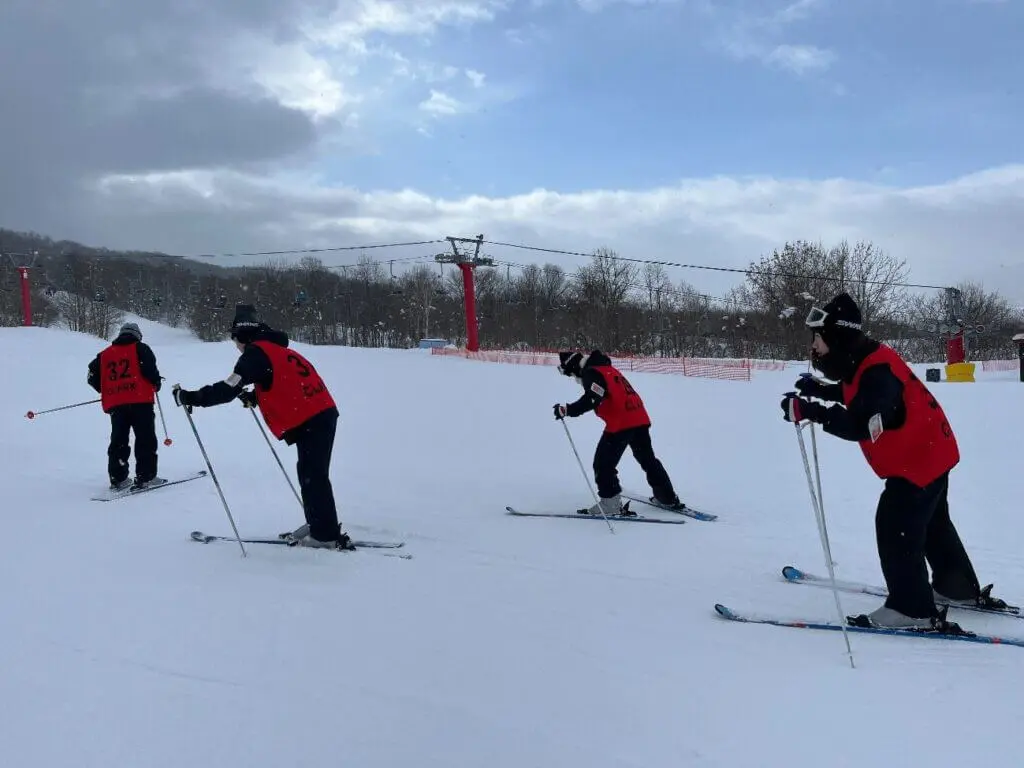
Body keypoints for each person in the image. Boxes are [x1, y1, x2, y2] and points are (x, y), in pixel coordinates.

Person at [780, 291, 1008, 631]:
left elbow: (862, 423)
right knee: (932, 525)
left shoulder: (876, 373)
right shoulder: (866, 358)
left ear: (838, 337)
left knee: (895, 527)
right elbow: (857, 390)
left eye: (819, 338)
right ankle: (956, 587)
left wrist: (810, 411)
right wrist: (821, 389)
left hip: (919, 462)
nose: (814, 347)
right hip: (932, 452)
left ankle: (911, 609)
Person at [171, 304, 352, 550]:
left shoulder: (255, 354)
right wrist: (256, 397)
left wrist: (191, 397)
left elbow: (227, 389)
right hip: (319, 412)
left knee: (313, 475)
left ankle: (325, 534)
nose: (236, 347)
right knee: (310, 473)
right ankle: (319, 525)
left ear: (242, 337)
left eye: (235, 341)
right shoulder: (274, 349)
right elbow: (282, 380)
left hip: (313, 417)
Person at [553, 349, 681, 517]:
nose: (573, 378)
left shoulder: (591, 372)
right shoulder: (606, 369)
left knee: (603, 463)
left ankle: (610, 503)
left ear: (574, 367)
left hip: (622, 421)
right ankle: (667, 497)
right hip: (639, 416)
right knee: (648, 459)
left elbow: (593, 397)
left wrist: (568, 409)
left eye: (569, 374)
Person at [87, 321, 162, 490]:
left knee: (119, 440)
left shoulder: (104, 355)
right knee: (145, 438)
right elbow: (150, 371)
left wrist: (105, 388)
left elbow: (91, 375)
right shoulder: (141, 348)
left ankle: (118, 478)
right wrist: (156, 383)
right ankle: (146, 476)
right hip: (141, 400)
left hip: (117, 404)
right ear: (137, 336)